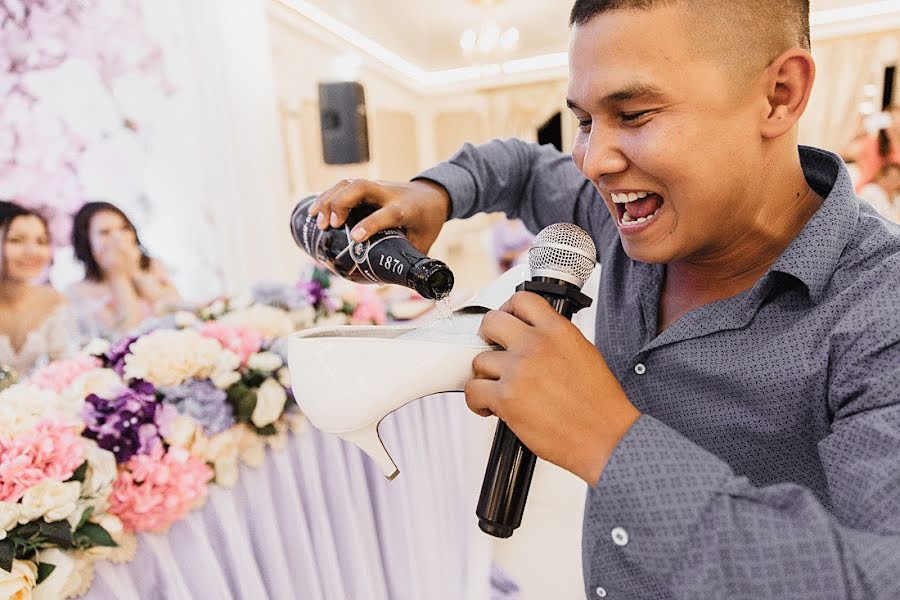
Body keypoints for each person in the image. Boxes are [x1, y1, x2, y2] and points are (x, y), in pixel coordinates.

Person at [309, 0, 900, 598]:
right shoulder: (618, 216)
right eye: (586, 121)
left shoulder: (881, 306)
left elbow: (876, 578)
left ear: (779, 94)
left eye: (635, 114)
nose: (593, 162)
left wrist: (610, 443)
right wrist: (434, 193)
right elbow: (520, 167)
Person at [67, 201, 181, 341]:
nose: (117, 238)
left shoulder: (153, 266)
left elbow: (178, 312)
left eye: (124, 228)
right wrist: (118, 276)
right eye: (105, 232)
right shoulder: (80, 292)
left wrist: (134, 272)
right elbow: (126, 333)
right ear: (86, 242)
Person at [0, 201, 76, 375]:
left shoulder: (54, 301)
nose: (33, 251)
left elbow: (65, 369)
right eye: (16, 240)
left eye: (41, 241)